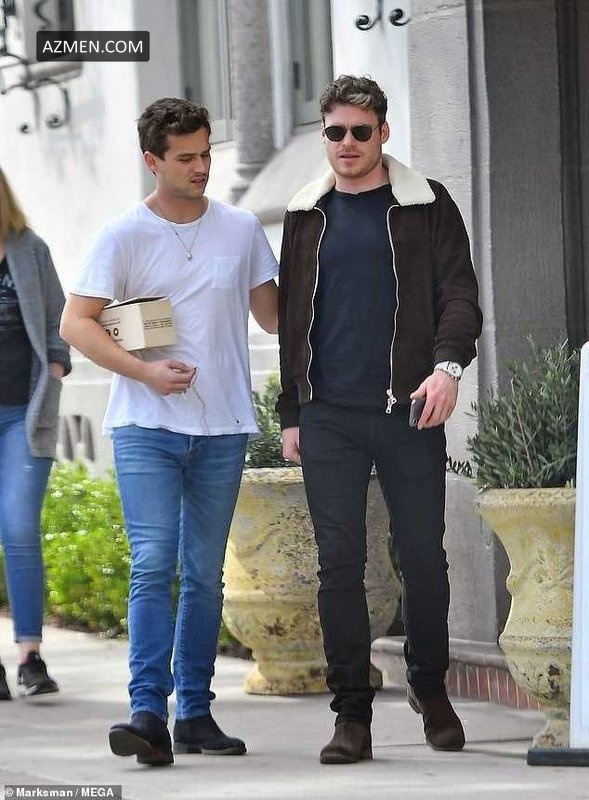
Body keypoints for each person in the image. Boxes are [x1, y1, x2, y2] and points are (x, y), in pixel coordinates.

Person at [60, 98, 278, 767]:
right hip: (146, 425)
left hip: (222, 426)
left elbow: (276, 319)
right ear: (152, 161)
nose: (201, 167)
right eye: (186, 157)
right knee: (154, 564)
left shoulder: (241, 229)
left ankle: (196, 715)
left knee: (204, 576)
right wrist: (145, 373)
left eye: (206, 153)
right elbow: (76, 323)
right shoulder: (124, 234)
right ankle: (147, 711)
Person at [276, 75, 483, 764]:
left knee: (422, 556)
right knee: (338, 565)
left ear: (382, 133)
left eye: (360, 131)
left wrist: (447, 368)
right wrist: (291, 411)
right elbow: (292, 318)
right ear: (324, 136)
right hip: (328, 414)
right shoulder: (305, 213)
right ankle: (351, 714)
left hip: (408, 411)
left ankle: (429, 685)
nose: (347, 143)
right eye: (334, 131)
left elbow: (460, 294)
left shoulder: (424, 204)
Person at [0, 166, 71, 701]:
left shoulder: (30, 249)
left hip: (24, 412)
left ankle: (30, 656)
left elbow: (57, 318)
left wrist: (57, 364)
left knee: (20, 526)